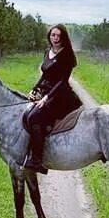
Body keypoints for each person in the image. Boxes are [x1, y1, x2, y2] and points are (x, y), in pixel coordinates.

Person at [23, 24, 81, 173]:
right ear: (49, 36)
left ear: (63, 38)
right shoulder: (47, 52)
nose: (55, 38)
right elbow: (44, 75)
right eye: (53, 35)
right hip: (47, 92)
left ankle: (37, 160)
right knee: (27, 113)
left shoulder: (67, 55)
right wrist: (34, 89)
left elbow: (62, 81)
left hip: (61, 95)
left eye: (59, 36)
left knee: (35, 117)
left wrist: (46, 98)